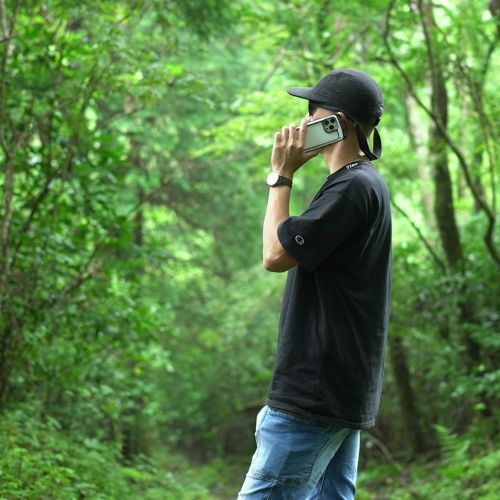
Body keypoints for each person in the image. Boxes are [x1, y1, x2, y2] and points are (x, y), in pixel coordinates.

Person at [237, 68, 392, 499]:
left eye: (312, 112)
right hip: (339, 389)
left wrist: (281, 175)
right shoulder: (362, 183)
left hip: (315, 392)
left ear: (336, 123)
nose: (304, 122)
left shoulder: (351, 188)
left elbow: (274, 255)